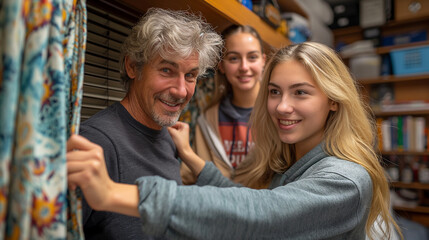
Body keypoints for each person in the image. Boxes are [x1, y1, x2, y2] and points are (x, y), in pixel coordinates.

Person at [67, 42, 402, 239]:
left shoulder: (343, 180)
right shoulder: (303, 163)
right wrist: (193, 160)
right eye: (274, 92)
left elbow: (263, 213)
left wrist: (112, 193)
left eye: (300, 92)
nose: (282, 107)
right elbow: (262, 203)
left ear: (333, 99)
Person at [76, 8, 222, 240]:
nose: (181, 90)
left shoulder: (167, 137)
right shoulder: (96, 142)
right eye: (167, 70)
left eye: (191, 76)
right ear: (133, 67)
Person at [182, 24, 266, 184]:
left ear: (263, 61)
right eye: (234, 58)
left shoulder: (279, 114)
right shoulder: (207, 120)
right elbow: (191, 176)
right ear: (221, 65)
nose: (244, 67)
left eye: (252, 57)